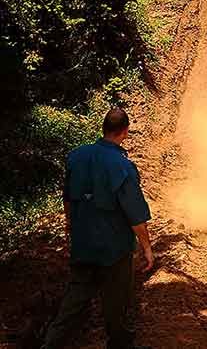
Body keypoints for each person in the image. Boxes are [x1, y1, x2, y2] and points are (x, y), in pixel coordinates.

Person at [42, 108, 153, 349]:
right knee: (116, 305)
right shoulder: (122, 166)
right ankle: (119, 344)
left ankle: (51, 344)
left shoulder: (76, 157)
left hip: (83, 246)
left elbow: (68, 199)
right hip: (114, 251)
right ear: (125, 132)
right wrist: (146, 248)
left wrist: (71, 228)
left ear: (103, 128)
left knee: (72, 305)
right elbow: (134, 213)